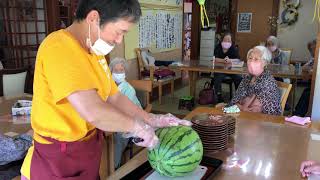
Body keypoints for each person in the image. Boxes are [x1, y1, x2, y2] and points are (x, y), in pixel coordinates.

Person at [20, 1, 191, 179]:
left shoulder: (95, 53)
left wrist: (151, 118)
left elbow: (114, 97)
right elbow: (93, 111)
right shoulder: (59, 47)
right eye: (120, 32)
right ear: (93, 18)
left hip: (86, 150)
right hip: (58, 158)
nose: (119, 40)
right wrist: (136, 127)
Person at [227, 46, 282, 115]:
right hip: (239, 115)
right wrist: (240, 108)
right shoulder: (247, 78)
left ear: (265, 63)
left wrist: (239, 107)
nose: (251, 61)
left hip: (257, 121)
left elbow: (270, 115)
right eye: (250, 58)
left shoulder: (268, 83)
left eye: (256, 59)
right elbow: (234, 102)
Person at [109, 57, 141, 169]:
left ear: (125, 73)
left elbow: (126, 112)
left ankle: (115, 167)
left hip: (130, 119)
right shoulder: (108, 87)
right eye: (116, 71)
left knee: (119, 137)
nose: (118, 73)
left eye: (121, 70)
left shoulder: (129, 89)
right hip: (113, 118)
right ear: (111, 72)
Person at [211, 32, 242, 102]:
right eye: (225, 40)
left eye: (229, 40)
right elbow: (215, 58)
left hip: (231, 70)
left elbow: (238, 59)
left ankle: (238, 96)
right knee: (217, 78)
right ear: (222, 40)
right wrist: (223, 60)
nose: (227, 42)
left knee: (239, 78)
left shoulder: (233, 48)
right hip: (220, 70)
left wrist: (230, 60)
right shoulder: (218, 47)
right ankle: (219, 96)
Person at [294, 39, 316, 117]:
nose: (311, 52)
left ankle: (298, 114)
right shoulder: (314, 58)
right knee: (306, 91)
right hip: (314, 84)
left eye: (313, 49)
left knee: (307, 94)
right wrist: (310, 70)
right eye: (310, 50)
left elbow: (314, 71)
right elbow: (304, 67)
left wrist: (310, 70)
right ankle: (297, 112)